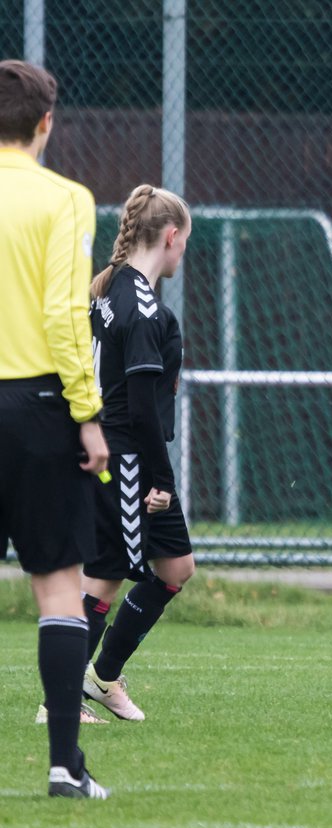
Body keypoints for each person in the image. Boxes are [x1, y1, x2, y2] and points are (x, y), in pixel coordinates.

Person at [0, 58, 111, 798]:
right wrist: (87, 413)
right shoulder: (65, 199)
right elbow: (67, 317)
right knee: (58, 584)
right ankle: (66, 766)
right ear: (46, 124)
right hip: (36, 407)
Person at [77, 184, 195, 722]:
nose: (182, 252)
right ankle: (59, 698)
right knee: (107, 573)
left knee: (175, 569)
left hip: (129, 457)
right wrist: (161, 479)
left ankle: (103, 678)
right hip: (129, 461)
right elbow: (143, 410)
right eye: (183, 242)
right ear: (171, 236)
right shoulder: (141, 307)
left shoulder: (110, 290)